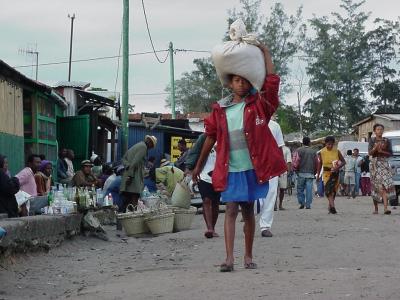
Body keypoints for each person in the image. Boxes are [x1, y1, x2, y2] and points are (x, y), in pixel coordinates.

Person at [192, 44, 286, 272]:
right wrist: (198, 166)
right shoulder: (220, 110)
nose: (241, 84)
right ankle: (228, 258)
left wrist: (266, 52)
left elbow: (272, 84)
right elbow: (209, 139)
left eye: (245, 80)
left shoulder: (260, 105)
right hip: (231, 169)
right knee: (231, 210)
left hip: (253, 169)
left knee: (247, 211)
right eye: (236, 81)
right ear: (230, 83)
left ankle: (248, 255)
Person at [186, 133, 220, 238]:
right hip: (203, 174)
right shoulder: (204, 137)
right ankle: (209, 228)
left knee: (215, 202)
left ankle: (213, 228)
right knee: (206, 200)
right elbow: (194, 152)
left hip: (219, 175)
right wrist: (190, 167)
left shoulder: (225, 136)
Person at [258, 117, 285, 238]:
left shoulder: (275, 126)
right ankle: (249, 218)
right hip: (253, 164)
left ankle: (265, 226)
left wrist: (280, 166)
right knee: (254, 197)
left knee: (271, 194)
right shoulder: (249, 122)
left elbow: (279, 148)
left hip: (271, 165)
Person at [120, 135, 157, 212]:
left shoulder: (138, 145)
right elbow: (135, 163)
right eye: (151, 146)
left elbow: (124, 159)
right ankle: (133, 220)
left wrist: (128, 169)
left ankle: (123, 220)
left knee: (127, 200)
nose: (150, 148)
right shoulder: (143, 147)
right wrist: (130, 176)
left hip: (130, 174)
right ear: (150, 143)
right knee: (134, 198)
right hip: (134, 177)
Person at [369, 124, 394, 215]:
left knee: (384, 186)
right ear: (374, 131)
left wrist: (382, 151)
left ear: (383, 131)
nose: (379, 131)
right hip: (374, 165)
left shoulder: (387, 141)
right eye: (378, 129)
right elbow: (370, 153)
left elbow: (390, 153)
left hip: (384, 164)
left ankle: (385, 208)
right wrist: (375, 148)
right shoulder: (372, 140)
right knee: (376, 186)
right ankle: (376, 208)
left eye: (381, 129)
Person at [316, 136, 346, 214]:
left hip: (335, 173)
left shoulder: (337, 151)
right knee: (328, 190)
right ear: (325, 143)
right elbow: (320, 164)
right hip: (326, 173)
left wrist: (337, 167)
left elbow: (343, 162)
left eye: (331, 144)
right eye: (328, 144)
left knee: (333, 191)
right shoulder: (321, 152)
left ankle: (330, 207)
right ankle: (333, 207)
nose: (330, 146)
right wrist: (318, 175)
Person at [294, 136, 317, 209]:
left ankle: (301, 202)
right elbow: (317, 162)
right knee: (309, 190)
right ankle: (308, 205)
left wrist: (295, 169)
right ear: (309, 143)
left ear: (302, 142)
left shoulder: (298, 150)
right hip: (310, 173)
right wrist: (315, 171)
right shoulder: (313, 151)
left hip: (301, 173)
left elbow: (296, 162)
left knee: (300, 189)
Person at [277, 143, 292, 210]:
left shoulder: (286, 149)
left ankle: (280, 204)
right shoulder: (272, 146)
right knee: (274, 190)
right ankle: (275, 205)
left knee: (282, 189)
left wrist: (288, 171)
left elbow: (289, 161)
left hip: (283, 172)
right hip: (274, 171)